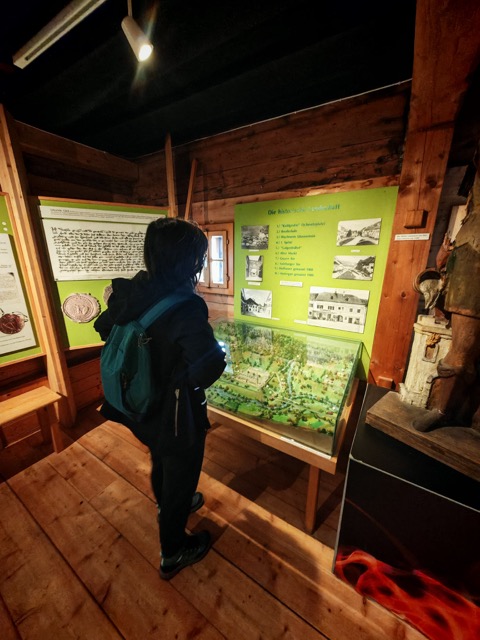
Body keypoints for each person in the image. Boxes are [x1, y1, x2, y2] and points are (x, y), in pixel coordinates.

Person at [94, 217, 226, 579]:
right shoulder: (184, 306)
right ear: (190, 260)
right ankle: (173, 551)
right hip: (173, 412)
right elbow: (208, 368)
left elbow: (103, 327)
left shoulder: (134, 288)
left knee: (161, 458)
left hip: (137, 405)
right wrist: (185, 371)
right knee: (181, 471)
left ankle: (165, 504)